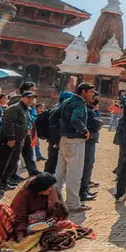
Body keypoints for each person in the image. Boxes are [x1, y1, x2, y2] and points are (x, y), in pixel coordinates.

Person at [0, 173, 95, 252]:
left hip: (46, 223)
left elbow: (63, 214)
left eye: (51, 187)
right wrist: (21, 235)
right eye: (48, 188)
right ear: (40, 189)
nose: (51, 189)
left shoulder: (53, 191)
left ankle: (35, 236)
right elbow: (20, 216)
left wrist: (55, 212)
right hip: (24, 224)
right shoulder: (25, 194)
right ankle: (11, 238)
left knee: (67, 224)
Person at [55, 83, 94, 213]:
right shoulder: (80, 104)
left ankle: (54, 200)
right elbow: (75, 119)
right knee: (74, 173)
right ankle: (72, 203)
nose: (92, 95)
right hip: (75, 141)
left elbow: (53, 117)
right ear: (83, 92)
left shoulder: (67, 102)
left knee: (59, 173)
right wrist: (84, 130)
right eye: (90, 92)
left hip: (64, 139)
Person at [0, 90, 37, 195]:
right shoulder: (14, 108)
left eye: (32, 98)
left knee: (12, 163)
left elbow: (25, 126)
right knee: (2, 163)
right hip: (8, 141)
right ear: (22, 98)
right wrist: (11, 138)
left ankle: (4, 183)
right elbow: (8, 124)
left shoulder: (26, 110)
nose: (31, 100)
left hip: (18, 141)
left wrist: (22, 140)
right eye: (29, 97)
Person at [79, 92, 102, 202]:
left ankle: (85, 188)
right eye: (94, 98)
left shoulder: (90, 111)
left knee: (88, 165)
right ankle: (83, 191)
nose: (96, 100)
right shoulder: (88, 111)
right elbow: (97, 124)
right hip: (89, 141)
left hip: (90, 140)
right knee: (87, 164)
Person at [44, 92, 73, 174]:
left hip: (55, 138)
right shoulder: (58, 110)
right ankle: (48, 178)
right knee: (53, 159)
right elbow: (53, 127)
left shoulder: (60, 107)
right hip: (56, 139)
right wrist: (57, 141)